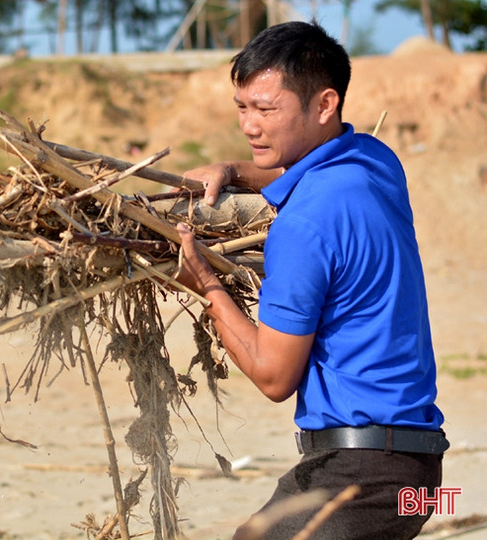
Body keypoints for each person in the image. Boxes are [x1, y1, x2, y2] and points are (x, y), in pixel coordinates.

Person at [173, 21, 448, 540]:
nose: (250, 126)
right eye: (242, 108)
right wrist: (233, 169)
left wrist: (206, 284)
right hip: (415, 474)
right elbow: (296, 174)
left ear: (324, 105)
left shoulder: (304, 225)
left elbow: (274, 377)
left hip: (362, 475)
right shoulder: (374, 160)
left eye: (267, 110)